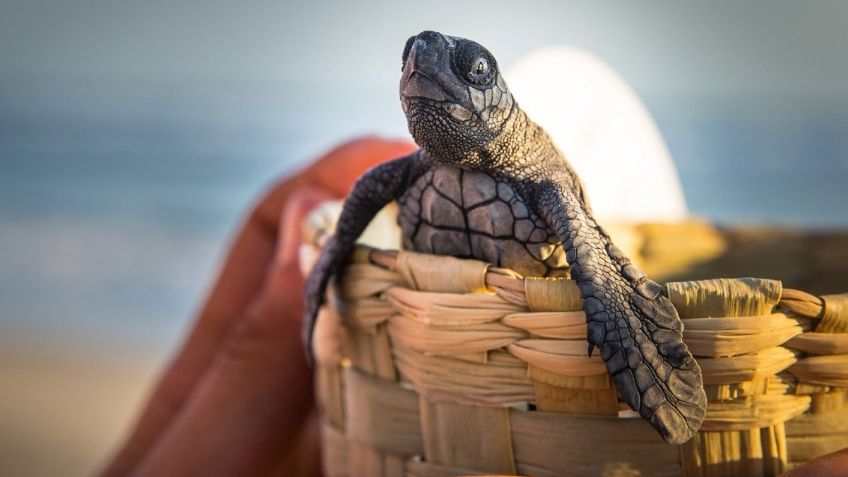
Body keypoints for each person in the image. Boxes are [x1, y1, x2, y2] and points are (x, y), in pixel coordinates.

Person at [99, 136, 846, 477]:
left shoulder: (540, 181)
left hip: (542, 311)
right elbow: (359, 201)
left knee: (611, 299)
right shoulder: (409, 169)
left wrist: (628, 341)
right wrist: (320, 281)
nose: (427, 69)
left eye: (467, 69)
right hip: (459, 353)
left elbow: (594, 257)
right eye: (413, 62)